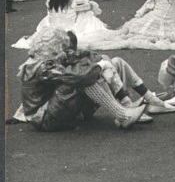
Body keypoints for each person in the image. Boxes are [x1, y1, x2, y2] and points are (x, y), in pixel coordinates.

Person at [17, 28, 147, 131]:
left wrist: (101, 61)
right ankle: (123, 115)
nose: (66, 51)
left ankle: (125, 107)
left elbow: (83, 56)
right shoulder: (42, 67)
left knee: (95, 69)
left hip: (52, 113)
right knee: (81, 78)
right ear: (54, 47)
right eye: (62, 47)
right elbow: (75, 76)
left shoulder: (47, 58)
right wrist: (100, 66)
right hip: (45, 120)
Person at [12, 0, 115, 51]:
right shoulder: (75, 1)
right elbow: (90, 6)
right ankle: (92, 30)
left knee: (52, 16)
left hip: (54, 30)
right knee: (86, 13)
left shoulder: (50, 1)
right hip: (72, 30)